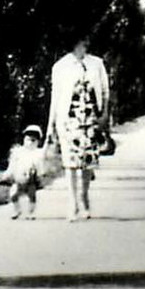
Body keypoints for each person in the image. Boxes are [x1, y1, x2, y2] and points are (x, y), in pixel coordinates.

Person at [48, 36, 110, 221]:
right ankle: (72, 202)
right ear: (73, 43)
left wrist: (105, 114)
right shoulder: (60, 66)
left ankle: (84, 196)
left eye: (86, 42)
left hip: (90, 118)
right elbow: (56, 97)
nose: (85, 45)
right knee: (70, 162)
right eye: (82, 41)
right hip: (68, 119)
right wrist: (51, 123)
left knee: (88, 161)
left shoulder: (97, 63)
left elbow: (105, 91)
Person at [1, 124, 51, 220]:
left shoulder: (37, 153)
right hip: (18, 178)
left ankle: (31, 212)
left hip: (31, 179)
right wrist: (7, 174)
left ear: (38, 142)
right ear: (23, 139)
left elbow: (40, 164)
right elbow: (12, 164)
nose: (30, 143)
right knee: (13, 194)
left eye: (33, 140)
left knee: (31, 195)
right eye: (28, 139)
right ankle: (17, 210)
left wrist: (41, 174)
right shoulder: (18, 152)